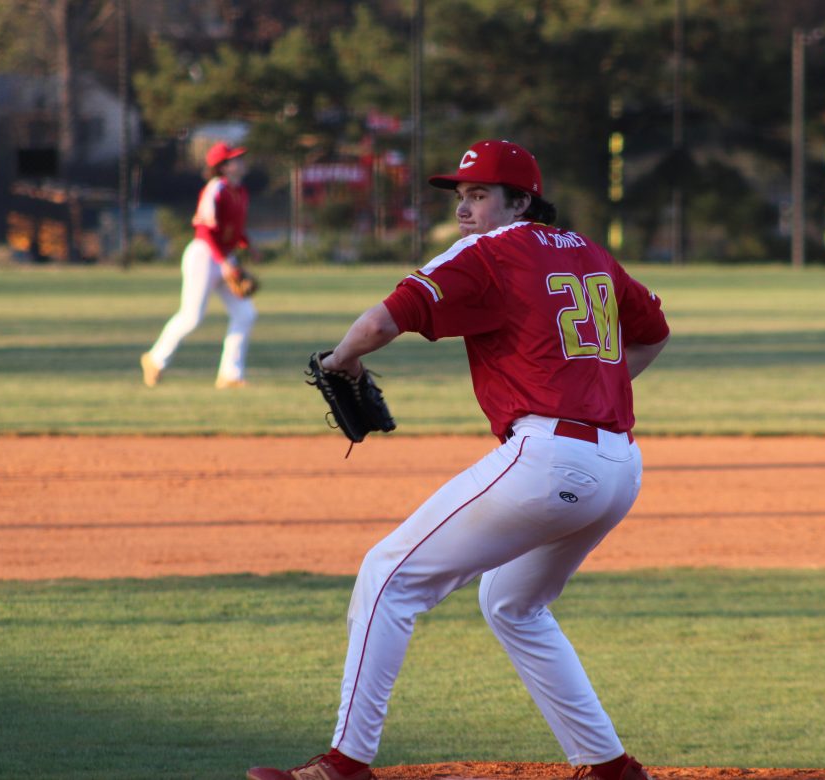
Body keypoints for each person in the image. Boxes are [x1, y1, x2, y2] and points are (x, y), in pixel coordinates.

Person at [248, 140, 670, 780]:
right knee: (511, 602)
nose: (465, 210)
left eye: (479, 195)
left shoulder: (489, 252)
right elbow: (652, 333)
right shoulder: (587, 250)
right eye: (461, 197)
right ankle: (610, 767)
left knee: (387, 577)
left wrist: (340, 361)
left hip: (549, 458)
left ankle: (344, 764)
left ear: (520, 200)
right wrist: (592, 385)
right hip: (620, 467)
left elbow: (385, 321)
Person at [141, 141, 259, 389]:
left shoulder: (241, 191)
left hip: (224, 257)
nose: (241, 162)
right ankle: (155, 359)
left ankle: (230, 374)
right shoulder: (216, 188)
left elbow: (233, 228)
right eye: (235, 159)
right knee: (192, 316)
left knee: (245, 314)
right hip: (204, 256)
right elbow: (205, 230)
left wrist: (248, 244)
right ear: (224, 167)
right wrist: (224, 262)